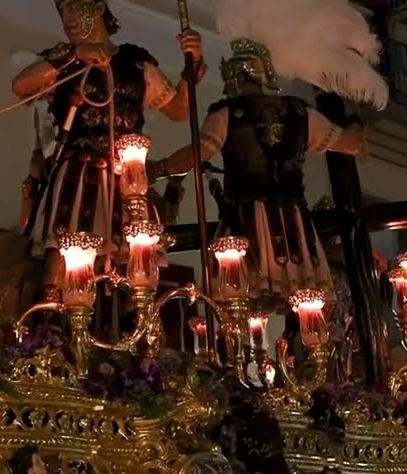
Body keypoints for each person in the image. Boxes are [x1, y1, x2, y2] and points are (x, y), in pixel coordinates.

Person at [158, 0, 386, 306]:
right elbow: (351, 143)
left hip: (245, 221)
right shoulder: (299, 113)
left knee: (239, 302)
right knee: (301, 303)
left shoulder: (228, 114)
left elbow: (195, 157)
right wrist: (354, 115)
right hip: (294, 225)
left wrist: (155, 169)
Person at [13, 0, 204, 300]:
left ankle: (136, 320)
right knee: (63, 248)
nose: (68, 21)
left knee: (135, 257)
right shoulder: (63, 61)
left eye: (76, 10)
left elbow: (179, 110)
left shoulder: (137, 63)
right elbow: (21, 85)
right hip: (76, 172)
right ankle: (52, 323)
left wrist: (189, 69)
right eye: (64, 15)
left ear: (98, 9)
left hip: (127, 177)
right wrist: (74, 55)